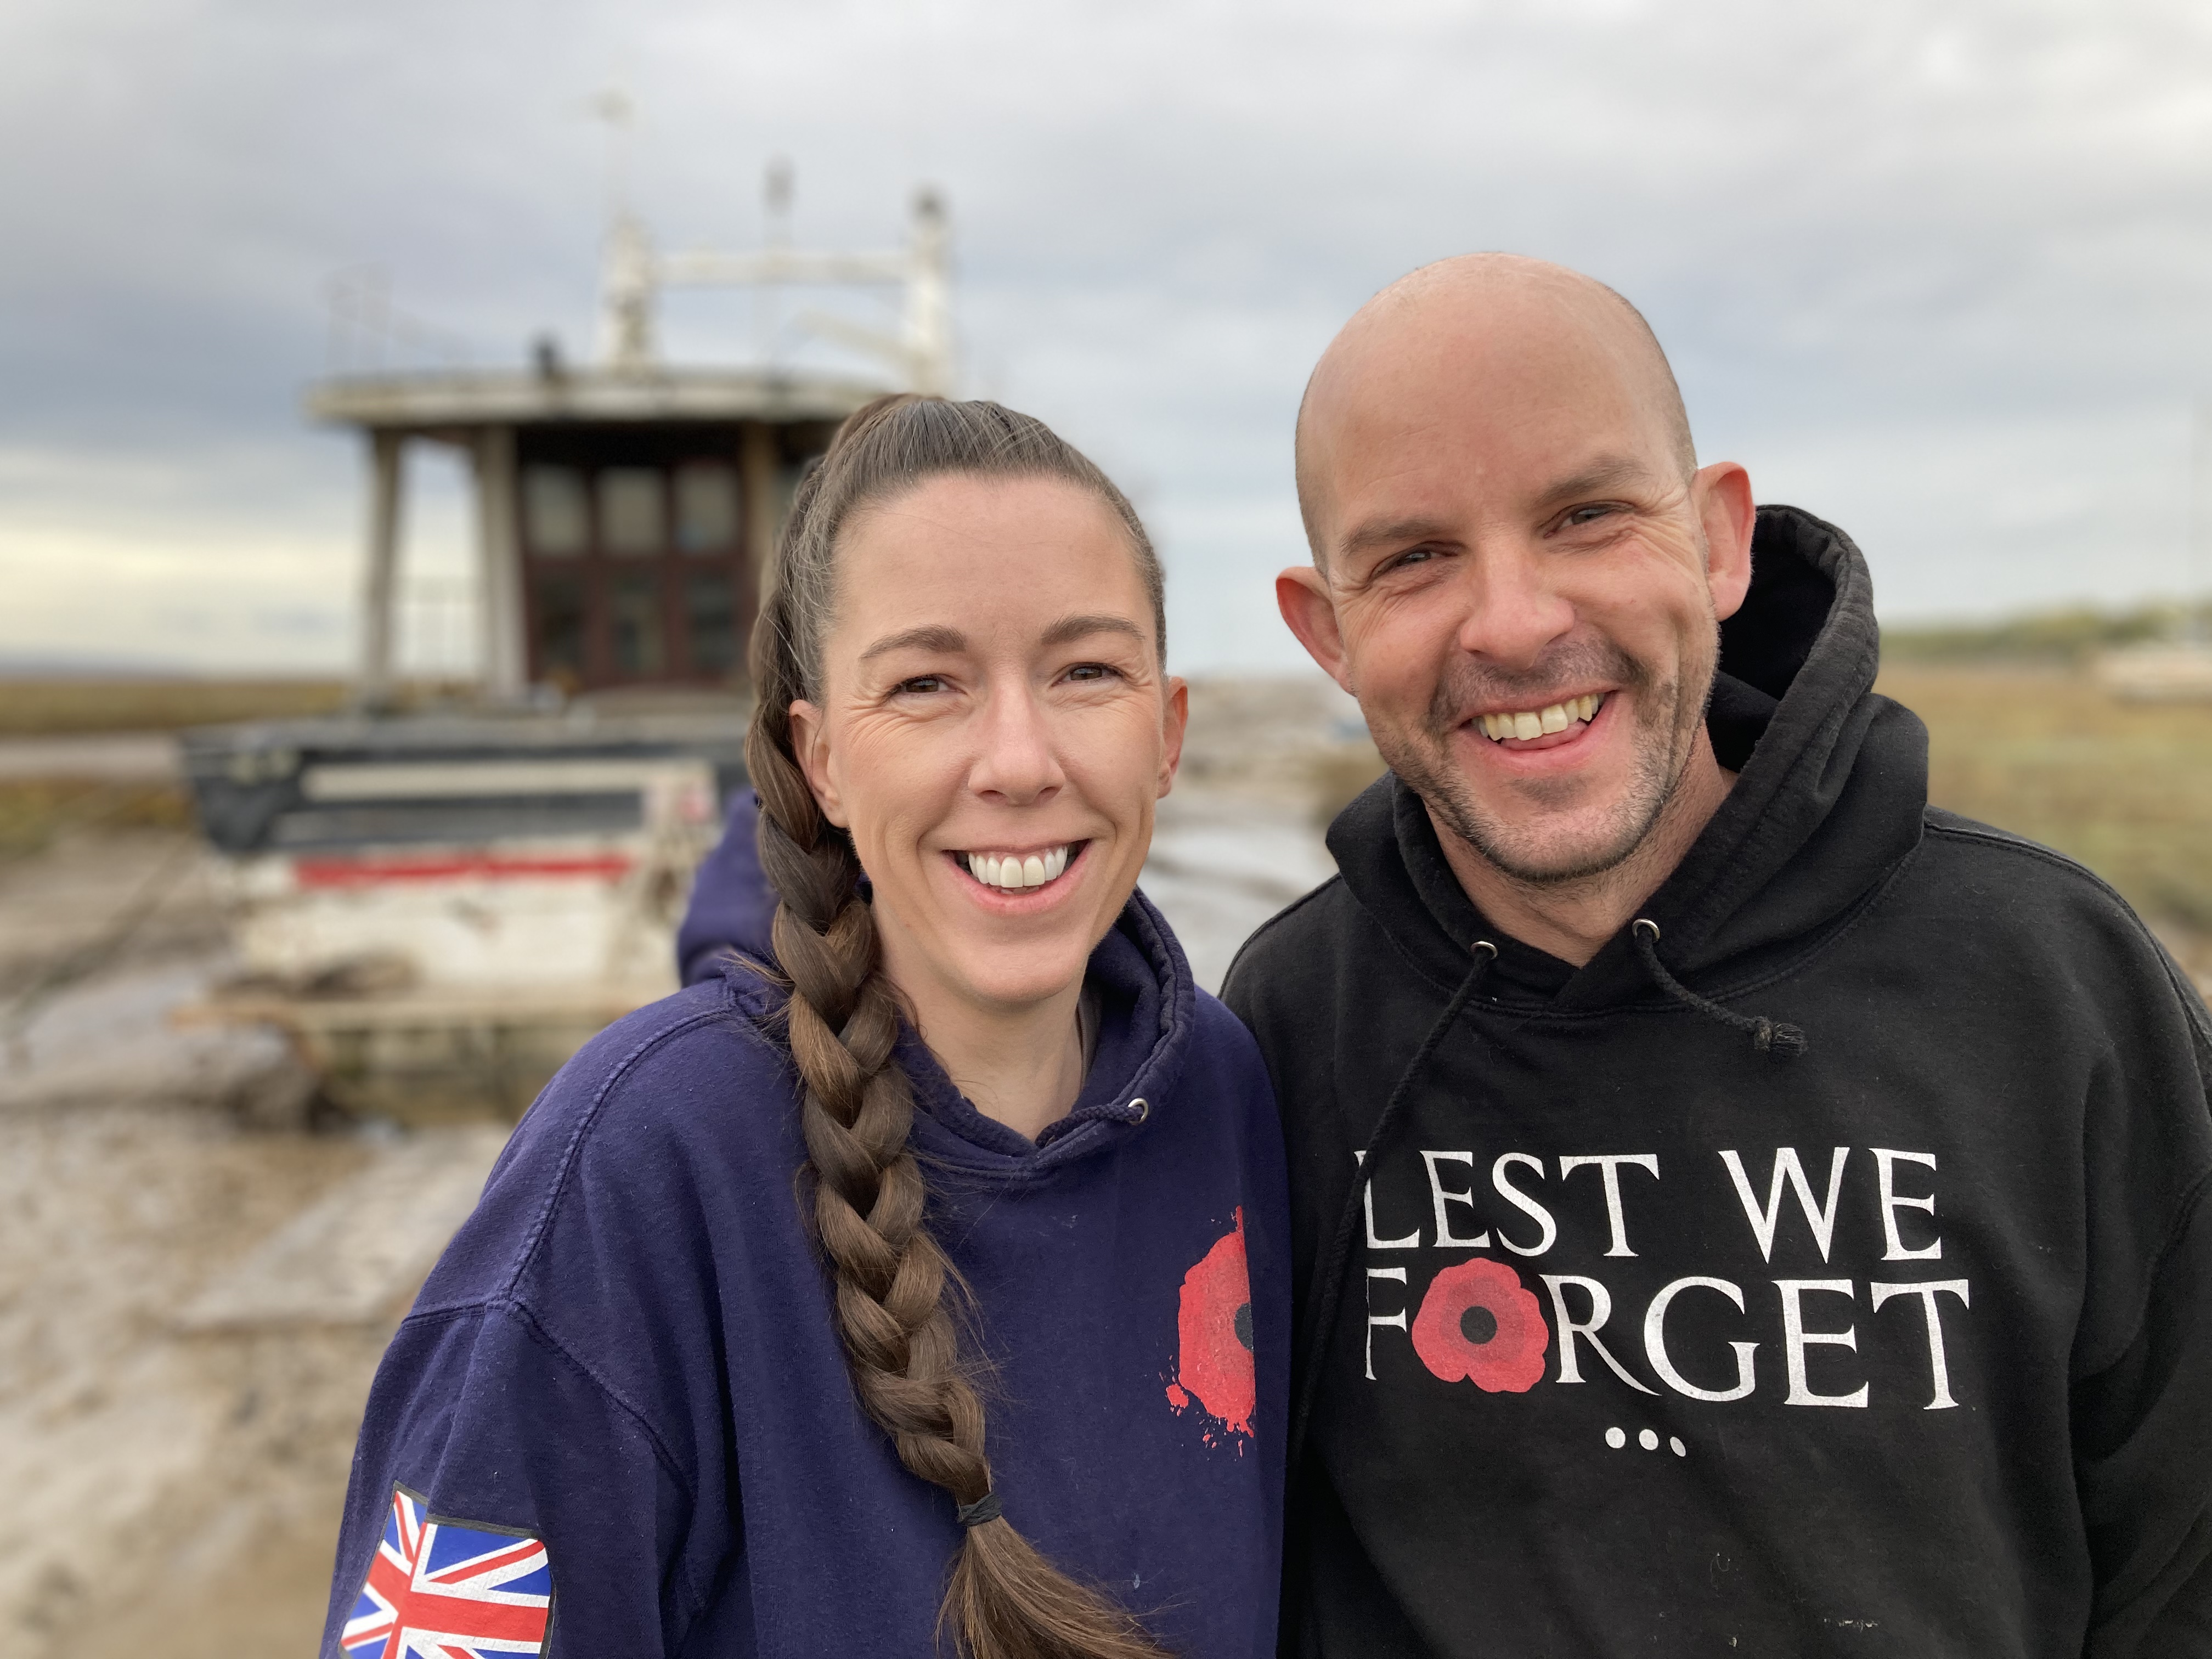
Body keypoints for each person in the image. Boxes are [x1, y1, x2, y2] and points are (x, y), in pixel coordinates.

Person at [1222, 252, 2212, 1655]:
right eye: (1414, 559)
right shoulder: (1286, 1028)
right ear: (1326, 633)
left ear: (1719, 541)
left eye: (1586, 515)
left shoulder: (2057, 990)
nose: (1513, 621)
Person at [320, 397, 1290, 1659]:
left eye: (1085, 672)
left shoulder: (1220, 1087)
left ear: (1167, 731)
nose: (1017, 759)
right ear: (821, 759)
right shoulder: (640, 1164)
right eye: (927, 683)